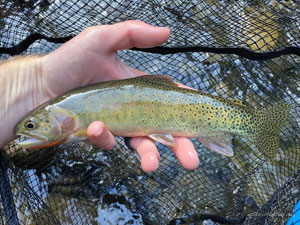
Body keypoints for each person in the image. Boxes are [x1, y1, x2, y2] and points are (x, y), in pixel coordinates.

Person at [0, 20, 199, 172]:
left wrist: (31, 80)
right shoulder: (67, 107)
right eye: (30, 126)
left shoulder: (67, 108)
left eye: (31, 126)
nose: (27, 130)